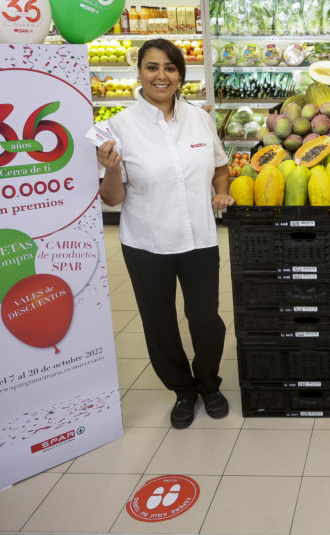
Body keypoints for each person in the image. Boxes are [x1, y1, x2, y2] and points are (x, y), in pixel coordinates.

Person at [97, 38, 236, 428]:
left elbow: (220, 166)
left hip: (199, 239)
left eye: (170, 68)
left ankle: (208, 384)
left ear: (180, 75)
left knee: (205, 319)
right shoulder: (118, 127)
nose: (161, 76)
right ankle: (183, 390)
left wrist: (222, 191)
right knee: (159, 323)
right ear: (139, 72)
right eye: (152, 67)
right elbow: (112, 199)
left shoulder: (199, 118)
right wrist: (111, 168)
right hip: (146, 243)